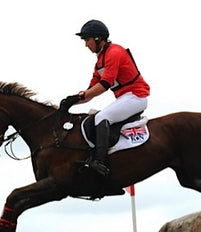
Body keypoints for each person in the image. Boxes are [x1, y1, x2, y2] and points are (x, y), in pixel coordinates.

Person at [63, 19, 150, 176]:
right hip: (125, 97)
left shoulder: (114, 53)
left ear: (98, 38)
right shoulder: (100, 61)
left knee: (101, 117)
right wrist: (72, 101)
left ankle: (100, 162)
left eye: (87, 40)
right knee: (94, 116)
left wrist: (80, 96)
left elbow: (104, 85)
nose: (85, 45)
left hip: (137, 96)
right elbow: (91, 89)